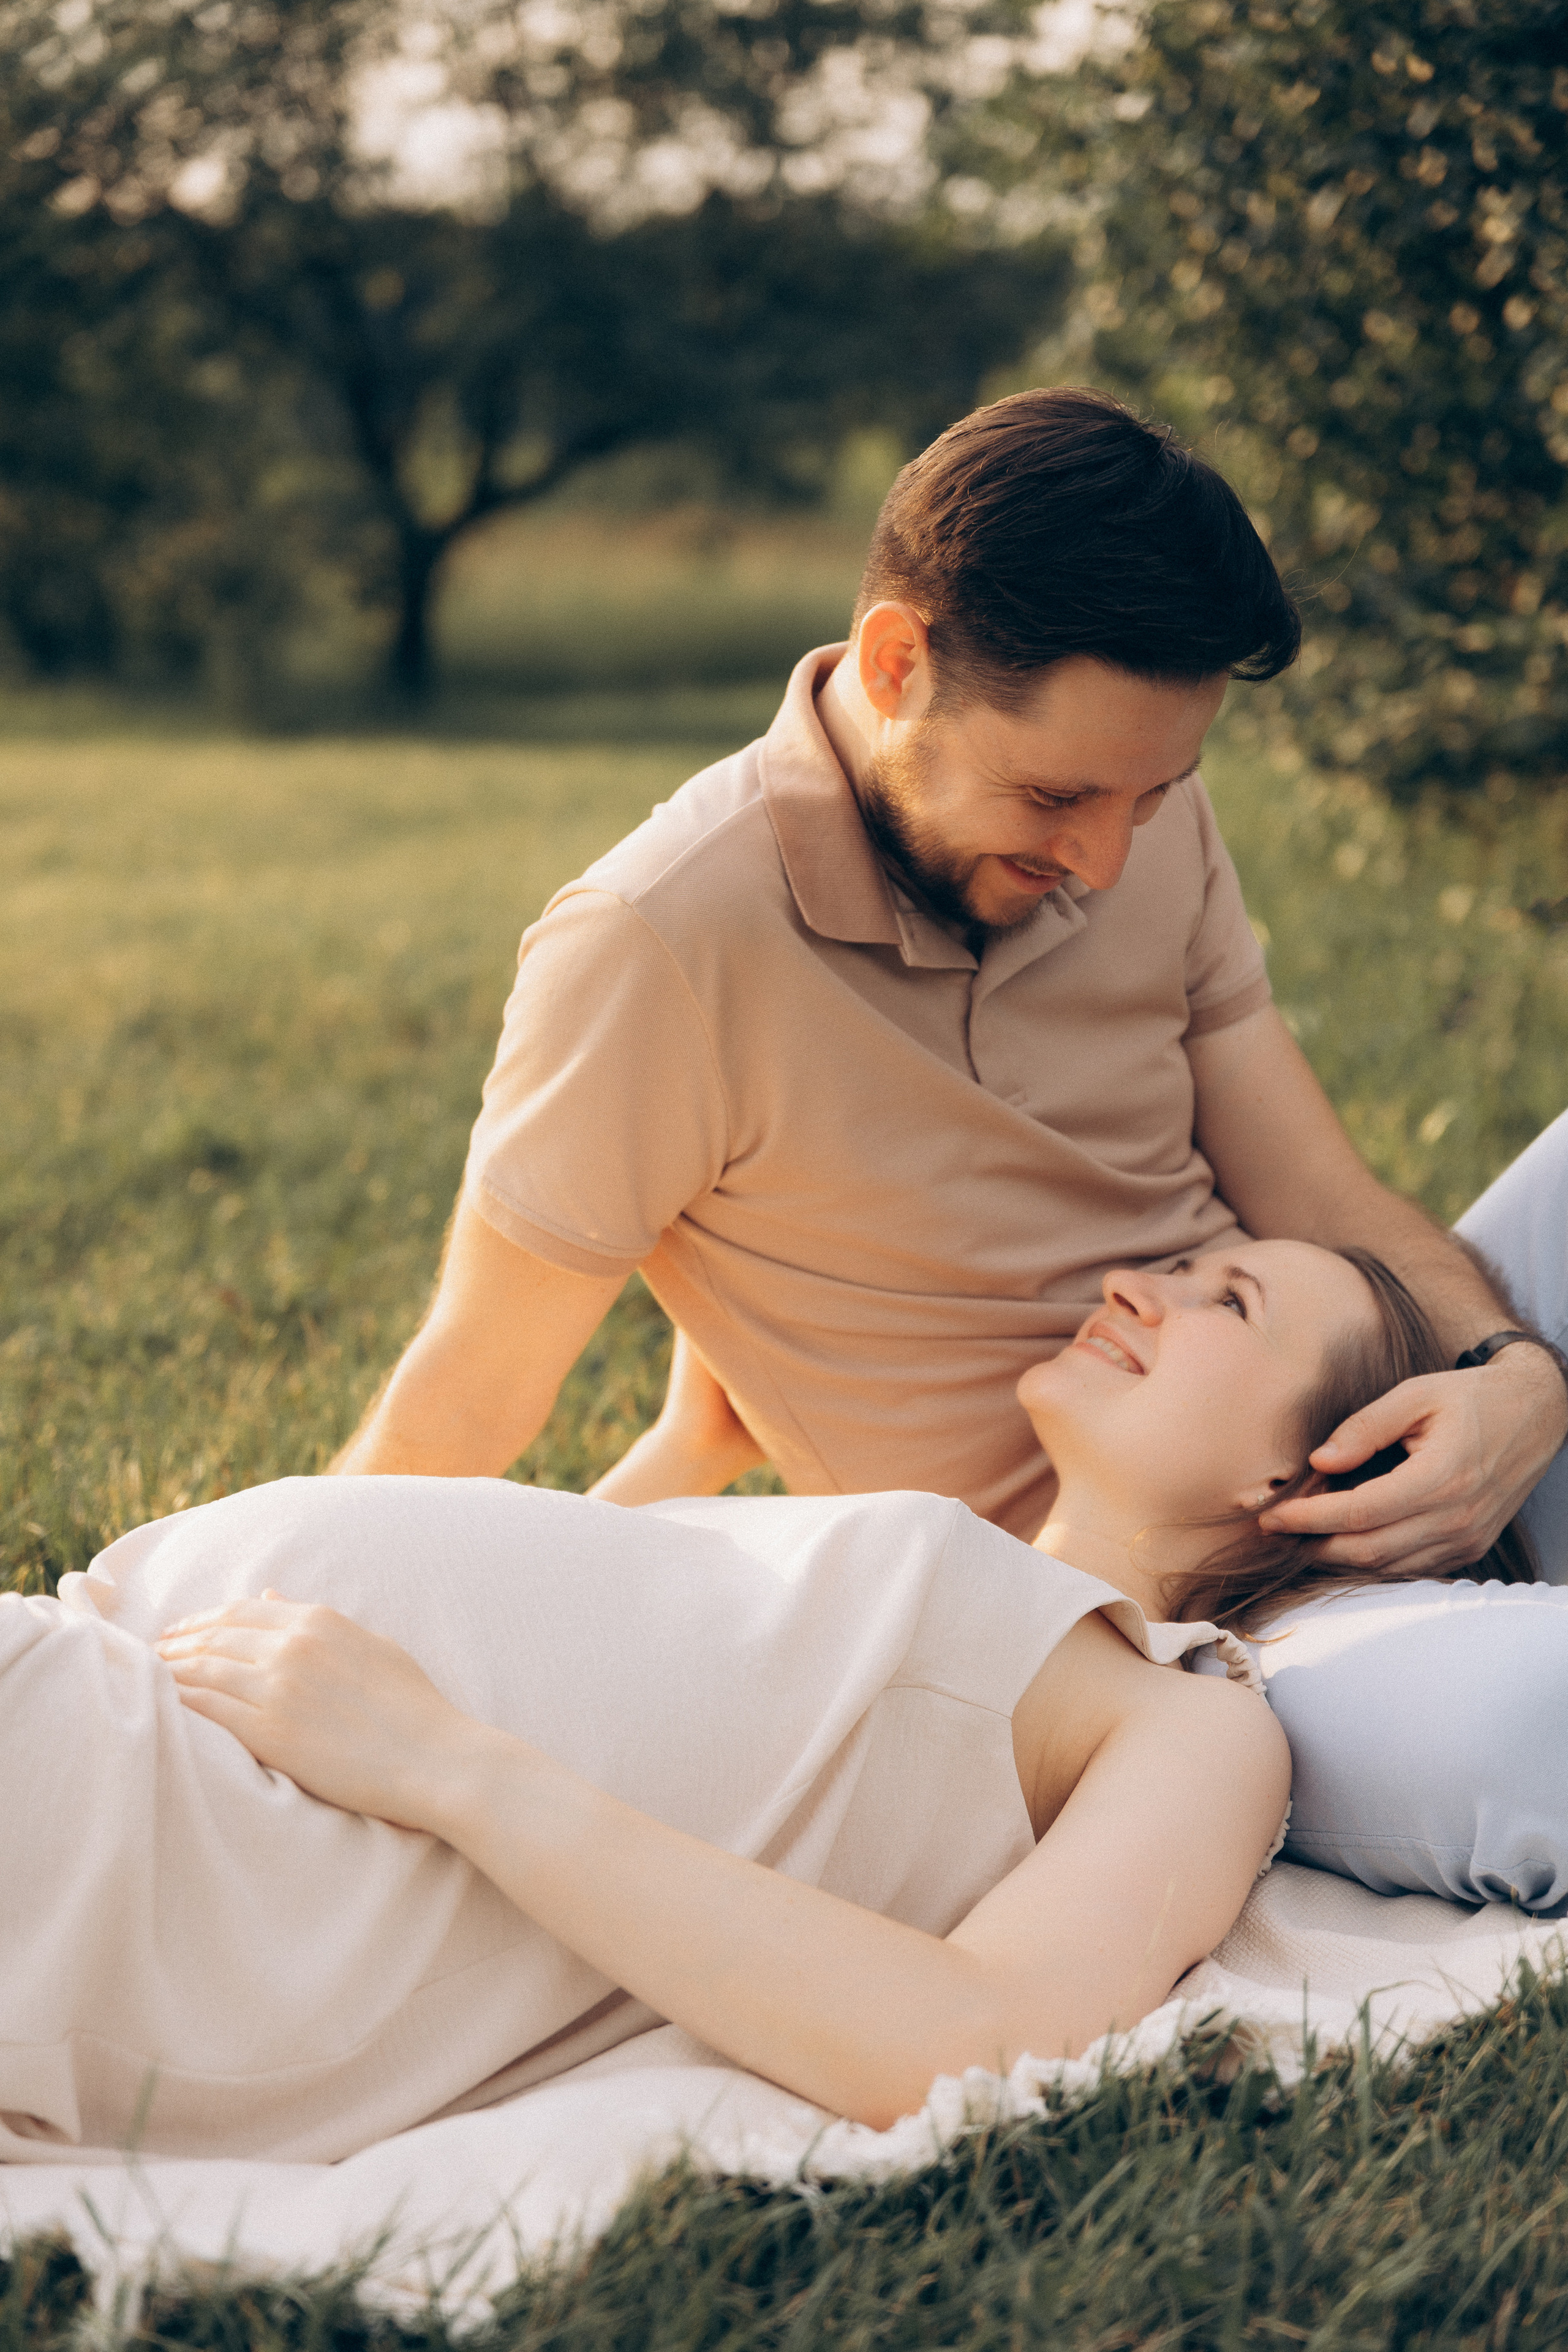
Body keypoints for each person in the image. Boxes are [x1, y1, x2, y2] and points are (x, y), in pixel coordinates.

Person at [327, 385, 1568, 1604]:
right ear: (893, 663)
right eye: (1051, 797)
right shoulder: (658, 944)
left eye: (1150, 793)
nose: (1104, 862)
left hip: (1343, 1412)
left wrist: (1515, 1383)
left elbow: (1322, 1193)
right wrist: (228, 1644)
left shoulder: (1134, 812)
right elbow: (471, 1393)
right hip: (1144, 1607)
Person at [4, 1237, 1460, 2166]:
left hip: (190, 1842)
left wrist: (442, 1765)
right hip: (144, 1720)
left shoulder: (1196, 1723)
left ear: (1307, 1475)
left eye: (1232, 1301)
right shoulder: (954, 1570)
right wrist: (677, 1465)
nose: (1140, 1284)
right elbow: (610, 1661)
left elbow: (968, 2039)